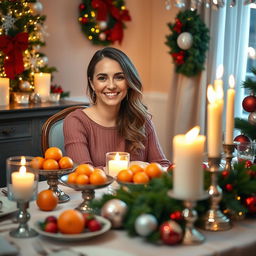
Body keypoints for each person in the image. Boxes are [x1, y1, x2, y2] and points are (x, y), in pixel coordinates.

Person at [63, 47, 170, 169]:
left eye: (119, 77)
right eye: (102, 78)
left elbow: (163, 166)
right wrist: (132, 167)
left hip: (138, 189)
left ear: (129, 82)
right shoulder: (76, 122)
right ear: (92, 83)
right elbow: (83, 173)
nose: (111, 86)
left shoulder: (142, 119)